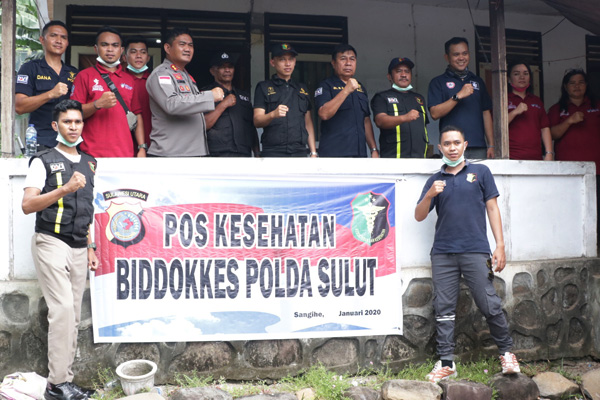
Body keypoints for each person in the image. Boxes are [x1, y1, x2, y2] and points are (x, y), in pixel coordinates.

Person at [414, 125, 520, 383]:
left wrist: (500, 245)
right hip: (443, 253)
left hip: (475, 250)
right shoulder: (435, 180)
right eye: (447, 144)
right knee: (443, 308)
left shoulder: (481, 172)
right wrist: (430, 195)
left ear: (465, 145)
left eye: (456, 143)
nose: (452, 148)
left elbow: (492, 208)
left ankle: (507, 354)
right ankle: (446, 363)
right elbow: (418, 216)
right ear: (440, 148)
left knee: (489, 303)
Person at [22, 99, 98, 400]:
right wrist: (65, 188)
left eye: (78, 121)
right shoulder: (42, 160)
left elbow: (87, 208)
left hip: (79, 245)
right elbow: (28, 205)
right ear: (56, 126)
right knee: (63, 309)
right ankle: (56, 384)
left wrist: (91, 247)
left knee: (73, 316)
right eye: (67, 122)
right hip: (51, 241)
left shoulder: (90, 162)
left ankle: (64, 382)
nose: (73, 127)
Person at [146, 27, 223, 157]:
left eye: (190, 45)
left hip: (190, 152)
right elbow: (171, 104)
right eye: (182, 44)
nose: (187, 49)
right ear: (167, 48)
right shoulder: (162, 74)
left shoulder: (186, 76)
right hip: (171, 154)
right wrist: (210, 96)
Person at [71, 26, 145, 158]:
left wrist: (141, 147)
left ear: (121, 50)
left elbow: (137, 116)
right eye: (104, 45)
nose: (110, 49)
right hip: (92, 153)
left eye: (115, 45)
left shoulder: (129, 79)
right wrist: (96, 104)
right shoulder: (84, 76)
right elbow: (73, 114)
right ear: (96, 48)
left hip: (125, 153)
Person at [548, 69, 600, 238]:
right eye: (572, 83)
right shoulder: (556, 109)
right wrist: (569, 121)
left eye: (581, 82)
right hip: (568, 170)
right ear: (565, 86)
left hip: (597, 169)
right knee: (570, 208)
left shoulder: (596, 106)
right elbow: (552, 135)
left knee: (596, 208)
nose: (577, 86)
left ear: (587, 85)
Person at [15, 21, 78, 150]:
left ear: (67, 43)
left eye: (63, 37)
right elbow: (19, 106)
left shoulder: (74, 73)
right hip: (41, 142)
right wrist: (50, 94)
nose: (59, 41)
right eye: (53, 35)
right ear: (42, 40)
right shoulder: (30, 68)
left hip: (70, 142)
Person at [428, 37, 494, 159]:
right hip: (451, 146)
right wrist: (458, 96)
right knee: (452, 172)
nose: (461, 58)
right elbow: (435, 113)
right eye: (456, 54)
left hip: (478, 146)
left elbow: (486, 113)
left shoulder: (478, 81)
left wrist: (491, 144)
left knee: (478, 173)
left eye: (465, 53)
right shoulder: (438, 82)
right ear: (447, 57)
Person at [253, 43, 317, 157]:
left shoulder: (302, 88)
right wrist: (273, 114)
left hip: (299, 151)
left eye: (291, 59)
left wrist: (313, 152)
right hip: (273, 151)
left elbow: (307, 122)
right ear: (273, 62)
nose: (287, 63)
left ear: (295, 62)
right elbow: (257, 121)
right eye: (282, 59)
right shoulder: (263, 87)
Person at [315, 44, 378, 158]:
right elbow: (324, 114)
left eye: (352, 59)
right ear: (333, 63)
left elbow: (366, 120)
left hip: (359, 154)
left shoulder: (360, 88)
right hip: (334, 154)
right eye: (343, 59)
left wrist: (373, 149)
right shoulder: (326, 85)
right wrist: (346, 90)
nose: (348, 63)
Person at [202, 52, 259, 157]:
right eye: (222, 67)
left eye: (230, 67)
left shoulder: (244, 97)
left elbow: (252, 128)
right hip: (216, 155)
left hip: (243, 154)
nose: (227, 70)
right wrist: (223, 104)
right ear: (212, 71)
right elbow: (203, 125)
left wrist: (257, 154)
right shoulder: (205, 94)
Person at [371, 57, 429, 158]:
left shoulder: (419, 98)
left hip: (419, 159)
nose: (403, 75)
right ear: (389, 76)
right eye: (398, 71)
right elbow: (380, 121)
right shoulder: (382, 97)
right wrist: (404, 118)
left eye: (407, 71)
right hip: (393, 159)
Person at [507, 62, 553, 160]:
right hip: (511, 157)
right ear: (509, 79)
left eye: (526, 73)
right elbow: (497, 126)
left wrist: (549, 153)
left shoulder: (536, 101)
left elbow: (544, 128)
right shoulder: (503, 100)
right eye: (516, 74)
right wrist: (515, 112)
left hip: (535, 157)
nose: (522, 77)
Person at [123, 36, 152, 155]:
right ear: (124, 57)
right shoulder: (117, 82)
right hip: (125, 145)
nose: (139, 56)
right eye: (133, 52)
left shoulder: (155, 81)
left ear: (148, 57)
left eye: (143, 52)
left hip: (155, 144)